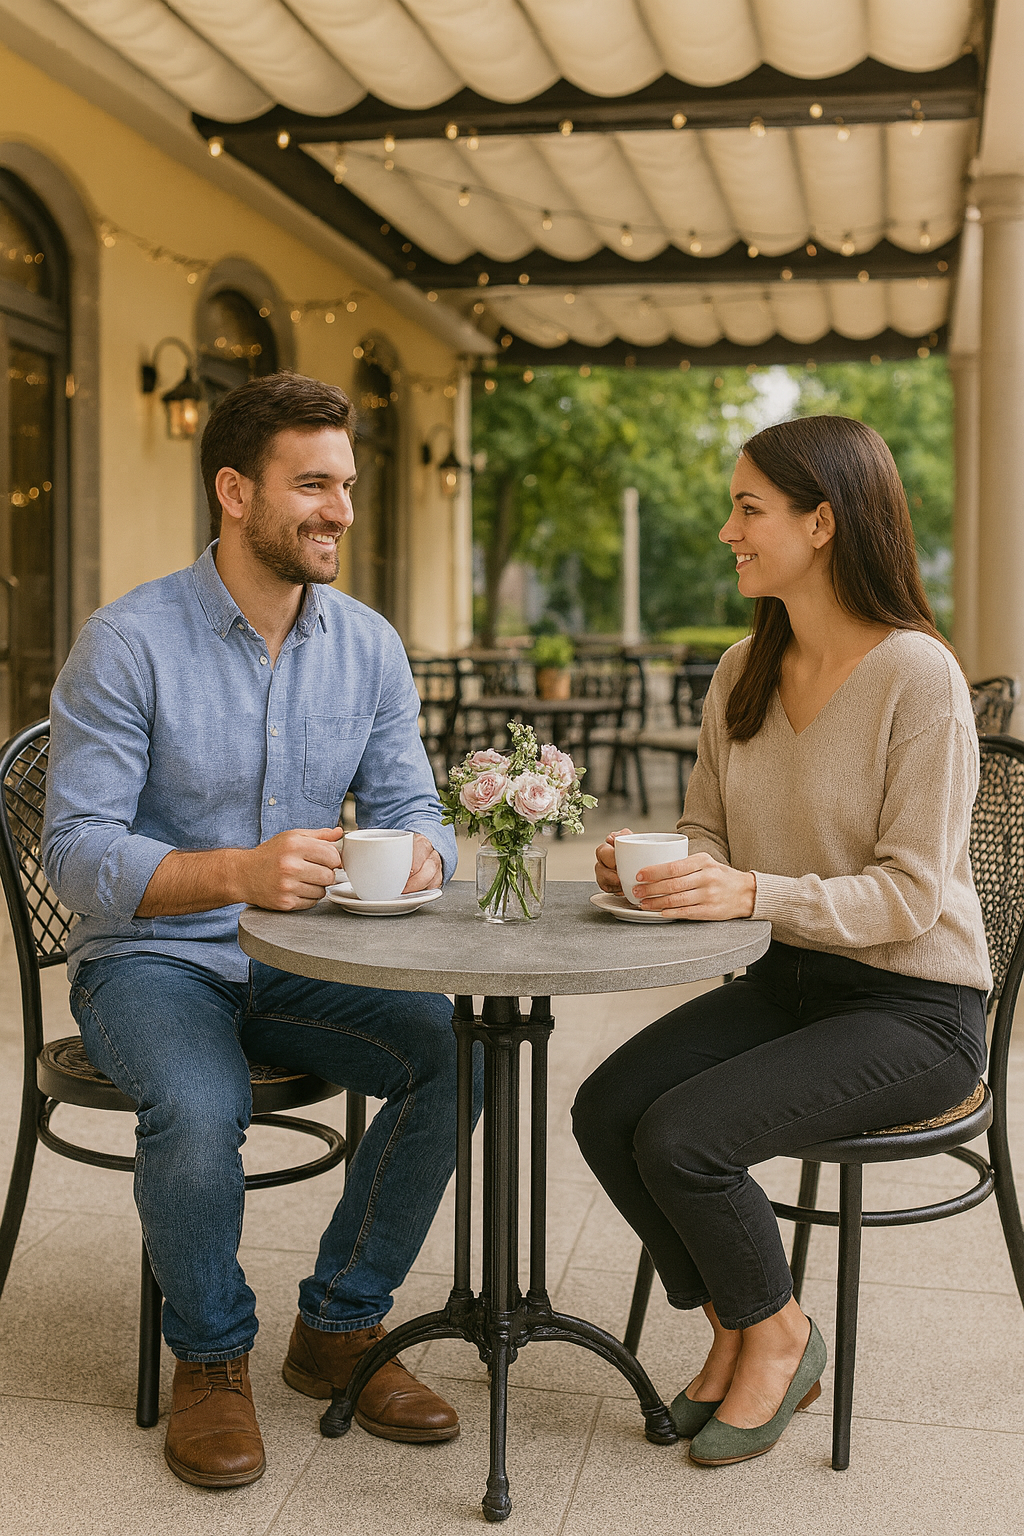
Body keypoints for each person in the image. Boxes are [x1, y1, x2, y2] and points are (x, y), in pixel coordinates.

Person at [42, 372, 474, 1488]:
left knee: (455, 1051)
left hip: (304, 959)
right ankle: (210, 1359)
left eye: (347, 485)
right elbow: (74, 853)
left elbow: (415, 807)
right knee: (199, 1106)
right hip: (150, 962)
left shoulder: (368, 645)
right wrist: (238, 872)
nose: (340, 509)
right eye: (313, 485)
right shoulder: (127, 641)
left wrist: (423, 853)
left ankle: (338, 1328)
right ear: (235, 492)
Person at [573, 415, 991, 1467]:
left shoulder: (919, 678)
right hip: (789, 983)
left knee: (684, 1139)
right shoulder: (741, 669)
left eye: (747, 509)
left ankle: (781, 1335)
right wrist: (658, 865)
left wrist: (750, 890)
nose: (728, 531)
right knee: (606, 1109)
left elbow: (909, 897)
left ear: (822, 522)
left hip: (915, 1009)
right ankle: (743, 1322)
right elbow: (709, 832)